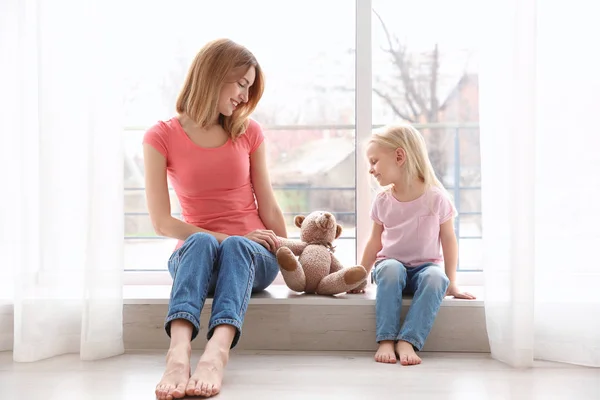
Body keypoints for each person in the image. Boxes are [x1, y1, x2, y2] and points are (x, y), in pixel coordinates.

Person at [143, 38, 287, 400]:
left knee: (238, 244)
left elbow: (267, 204)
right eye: (241, 83)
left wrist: (292, 256)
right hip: (198, 257)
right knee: (205, 240)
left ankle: (217, 352)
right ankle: (178, 353)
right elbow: (162, 222)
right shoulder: (161, 136)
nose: (244, 95)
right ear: (213, 73)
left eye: (250, 88)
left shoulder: (249, 132)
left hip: (253, 257)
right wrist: (221, 237)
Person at [348, 124, 476, 366]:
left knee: (437, 279)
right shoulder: (383, 200)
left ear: (399, 156)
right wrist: (360, 276)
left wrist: (453, 282)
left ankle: (409, 340)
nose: (371, 169)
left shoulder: (436, 198)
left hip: (426, 268)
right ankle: (386, 338)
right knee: (392, 268)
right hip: (390, 267)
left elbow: (448, 240)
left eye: (375, 161)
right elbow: (374, 241)